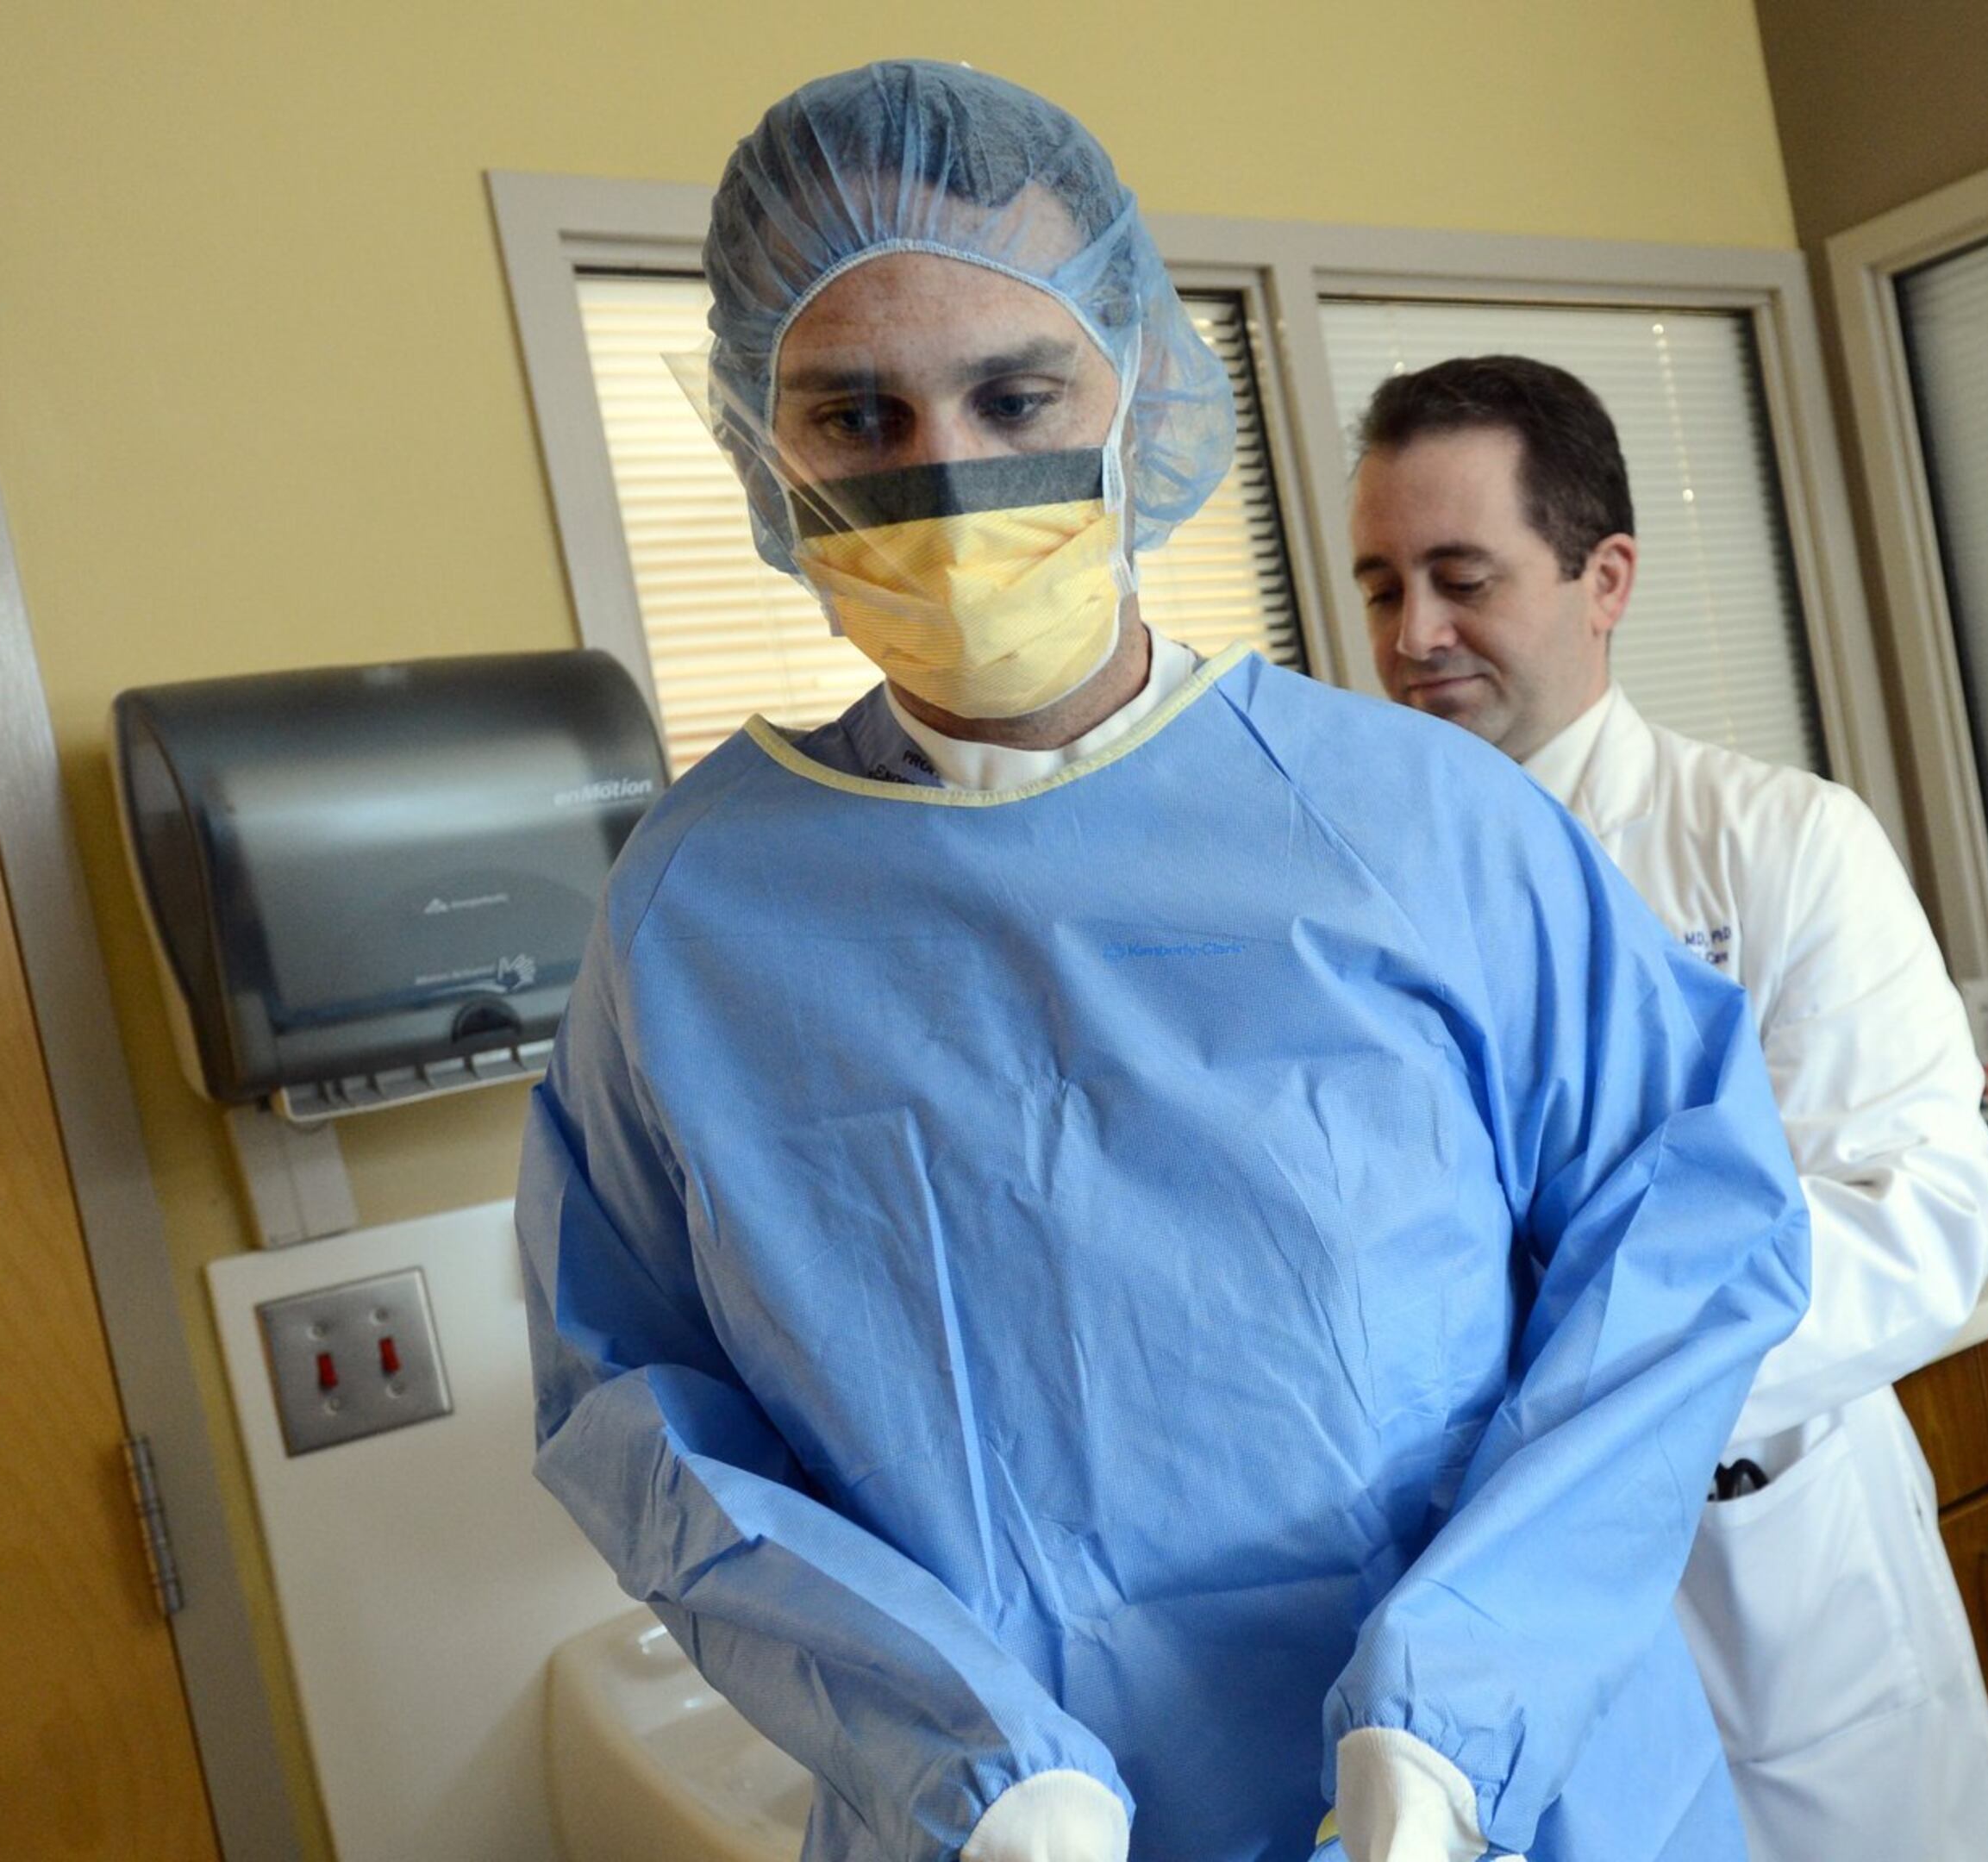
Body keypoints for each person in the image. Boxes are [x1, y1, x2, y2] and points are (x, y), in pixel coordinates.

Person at [518, 66, 1811, 1862]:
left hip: (1512, 1802)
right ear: (761, 447)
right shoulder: (691, 923)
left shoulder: (1417, 820)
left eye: (1017, 394)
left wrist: (1465, 1705)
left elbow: (1680, 1247)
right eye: (859, 414)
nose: (950, 475)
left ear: (1138, 385)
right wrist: (965, 1761)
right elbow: (643, 1414)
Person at [1349, 355, 1988, 1862]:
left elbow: (1914, 1221)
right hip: (1496, 1620)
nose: (1413, 638)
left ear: (1604, 579)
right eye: (1382, 587)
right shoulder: (1353, 900)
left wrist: (1559, 1385)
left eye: (1462, 579)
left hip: (1764, 1571)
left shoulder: (1778, 845)